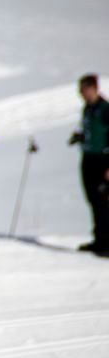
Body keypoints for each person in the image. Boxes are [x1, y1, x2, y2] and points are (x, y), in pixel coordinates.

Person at [70, 73, 109, 256]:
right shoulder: (88, 109)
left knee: (103, 201)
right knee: (93, 199)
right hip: (88, 158)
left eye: (84, 89)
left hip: (103, 159)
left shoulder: (105, 109)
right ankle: (99, 239)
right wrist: (80, 137)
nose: (82, 94)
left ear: (94, 88)